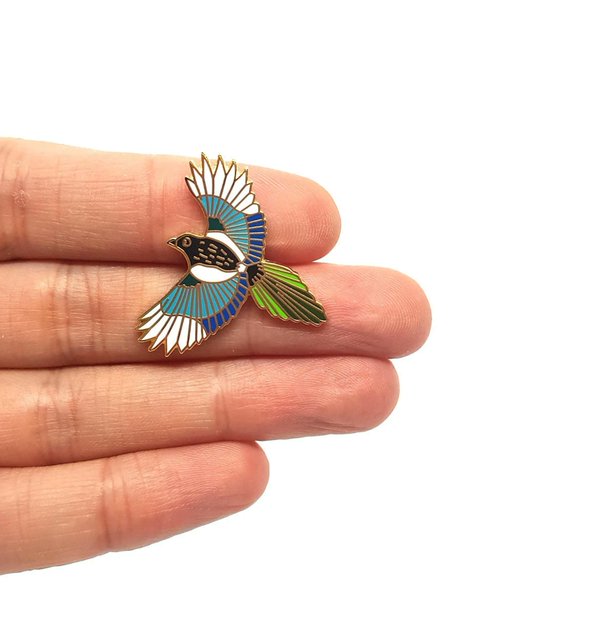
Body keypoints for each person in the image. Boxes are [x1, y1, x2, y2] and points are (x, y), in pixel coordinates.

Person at [0, 139, 431, 573]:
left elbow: (199, 283)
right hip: (256, 270)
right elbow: (228, 218)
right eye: (185, 241)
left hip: (253, 272)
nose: (180, 243)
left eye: (184, 242)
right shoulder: (214, 249)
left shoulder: (201, 274)